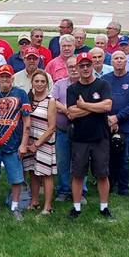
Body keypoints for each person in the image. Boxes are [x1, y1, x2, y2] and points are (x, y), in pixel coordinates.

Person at [66, 52, 113, 219]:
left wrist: (84, 105)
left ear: (93, 66)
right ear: (77, 68)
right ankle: (77, 208)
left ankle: (104, 207)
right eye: (82, 66)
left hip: (100, 137)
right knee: (78, 174)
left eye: (88, 65)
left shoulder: (103, 85)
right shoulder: (72, 89)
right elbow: (71, 112)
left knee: (102, 173)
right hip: (79, 138)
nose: (85, 68)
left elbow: (107, 106)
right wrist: (94, 107)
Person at [0, 64, 30, 220]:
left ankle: (15, 206)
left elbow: (27, 122)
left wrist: (23, 144)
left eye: (8, 76)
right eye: (2, 76)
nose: (5, 79)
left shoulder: (21, 94)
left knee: (16, 177)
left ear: (12, 78)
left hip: (13, 145)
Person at [104, 50, 129, 196]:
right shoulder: (105, 79)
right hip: (107, 125)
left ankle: (124, 188)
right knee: (109, 157)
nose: (119, 61)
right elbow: (102, 101)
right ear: (111, 62)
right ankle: (109, 185)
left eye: (121, 58)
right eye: (115, 58)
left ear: (126, 61)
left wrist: (117, 118)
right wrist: (109, 119)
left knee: (124, 158)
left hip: (125, 125)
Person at [22, 70, 58, 214]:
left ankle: (47, 206)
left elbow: (52, 127)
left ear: (47, 84)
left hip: (44, 142)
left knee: (46, 174)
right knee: (32, 171)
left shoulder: (51, 101)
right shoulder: (28, 99)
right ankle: (34, 201)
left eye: (43, 82)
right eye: (36, 81)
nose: (39, 84)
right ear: (32, 83)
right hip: (29, 140)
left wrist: (37, 145)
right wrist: (28, 144)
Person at [51, 57, 80, 201]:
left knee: (80, 161)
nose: (73, 69)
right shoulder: (59, 84)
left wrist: (72, 112)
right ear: (66, 68)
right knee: (62, 161)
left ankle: (81, 192)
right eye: (70, 67)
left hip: (81, 131)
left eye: (76, 66)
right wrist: (66, 110)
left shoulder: (85, 84)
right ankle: (64, 190)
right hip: (62, 130)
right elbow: (53, 100)